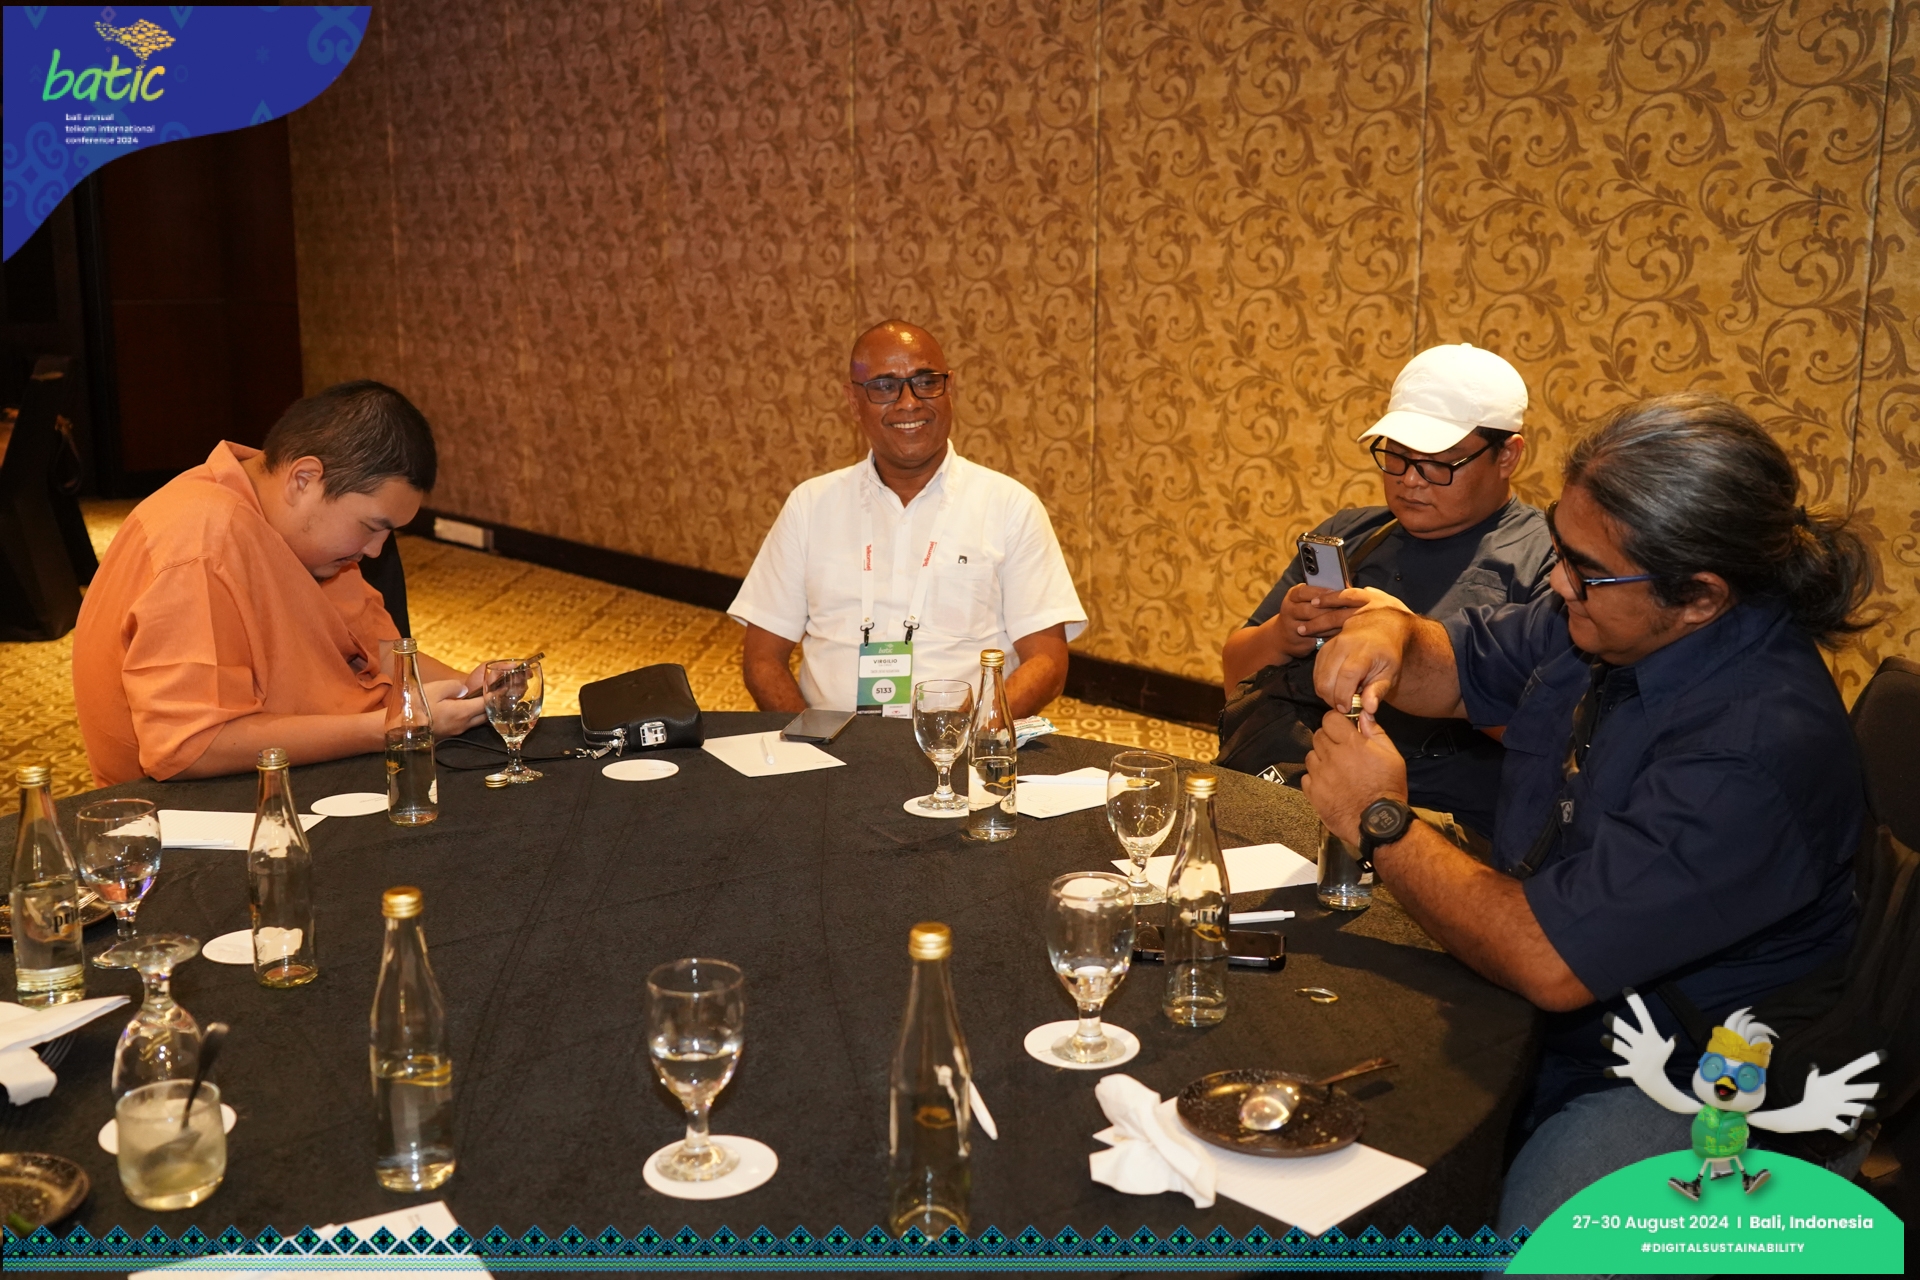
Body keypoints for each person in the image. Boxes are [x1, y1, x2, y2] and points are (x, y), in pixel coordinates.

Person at [1297, 392, 1872, 1231]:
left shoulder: (1752, 749)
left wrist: (1380, 819)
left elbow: (1548, 960)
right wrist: (1394, 637)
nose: (1560, 581)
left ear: (1700, 596)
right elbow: (1458, 666)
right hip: (1565, 997)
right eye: (1562, 551)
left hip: (1694, 1068)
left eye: (1586, 571)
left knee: (1531, 1247)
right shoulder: (1611, 617)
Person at [73, 381, 488, 786]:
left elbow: (369, 651)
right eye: (370, 527)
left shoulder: (295, 532)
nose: (376, 551)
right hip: (204, 804)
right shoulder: (201, 545)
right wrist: (392, 727)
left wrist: (470, 687)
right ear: (303, 479)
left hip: (315, 758)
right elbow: (191, 747)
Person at [1220, 343, 1555, 838]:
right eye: (1395, 457)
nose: (1410, 481)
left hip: (1443, 822)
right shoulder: (1353, 534)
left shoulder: (1547, 563)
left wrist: (1406, 649)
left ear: (1507, 455)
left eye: (1438, 463)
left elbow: (1556, 734)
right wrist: (1284, 634)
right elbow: (1236, 679)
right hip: (1302, 786)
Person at [729, 320, 1086, 718]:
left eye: (926, 382)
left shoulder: (1009, 507)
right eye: (884, 386)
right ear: (853, 401)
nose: (909, 402)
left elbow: (1047, 663)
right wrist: (809, 740)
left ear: (949, 389)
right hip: (828, 742)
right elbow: (762, 660)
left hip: (963, 742)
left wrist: (965, 737)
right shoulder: (810, 506)